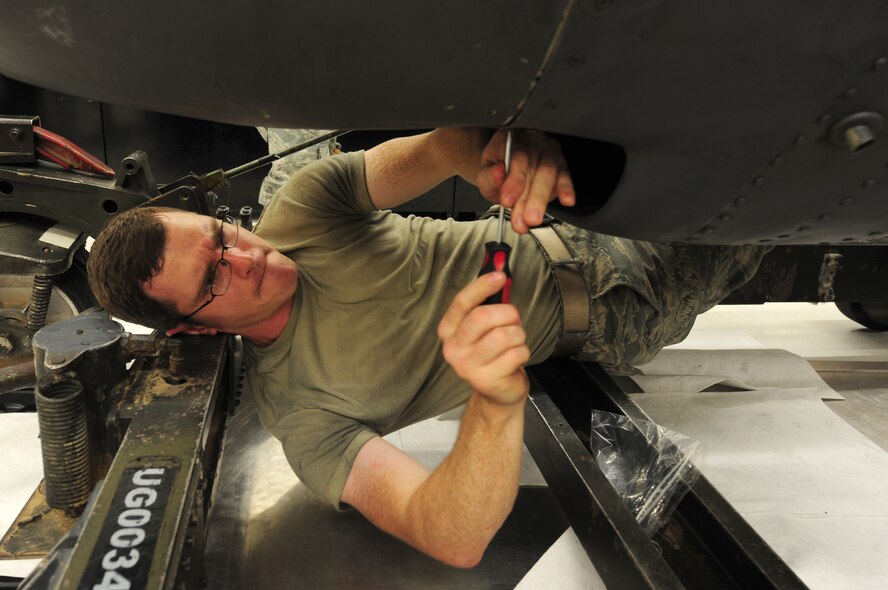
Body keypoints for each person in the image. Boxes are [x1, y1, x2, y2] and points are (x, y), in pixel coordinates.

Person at [87, 128, 765, 568]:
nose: (246, 255)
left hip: (579, 220)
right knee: (761, 189)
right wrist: (494, 404)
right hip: (627, 305)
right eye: (214, 278)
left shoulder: (301, 210)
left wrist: (494, 154)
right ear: (194, 328)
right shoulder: (302, 417)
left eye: (220, 235)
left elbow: (439, 150)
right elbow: (448, 531)